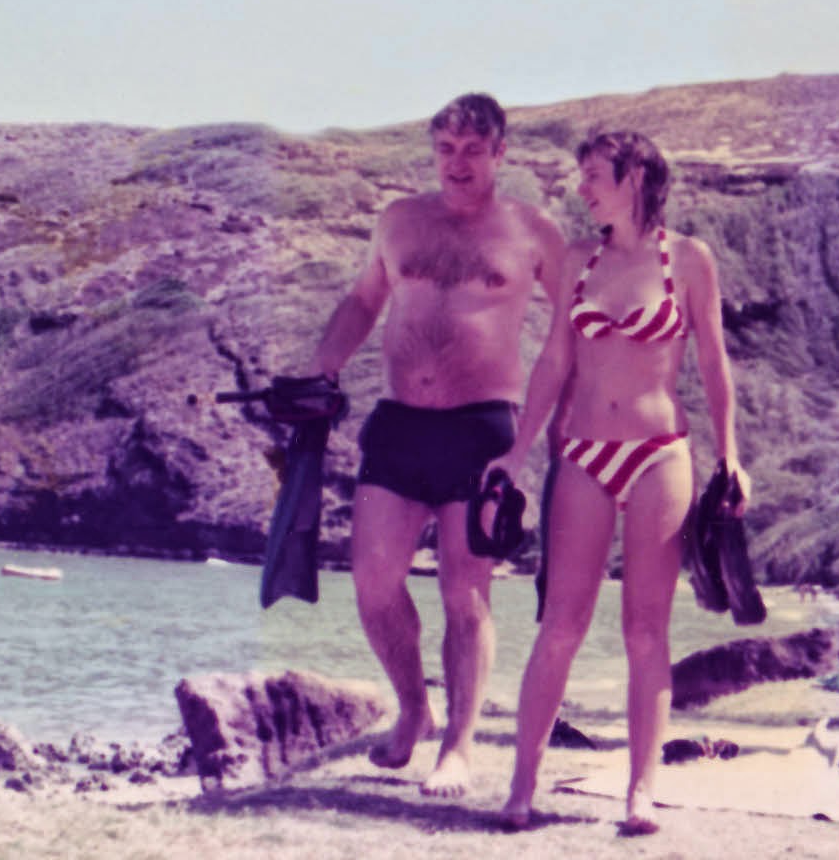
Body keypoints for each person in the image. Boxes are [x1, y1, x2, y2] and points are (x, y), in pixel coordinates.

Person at [492, 129, 750, 834]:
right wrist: (516, 452)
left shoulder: (689, 260)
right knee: (559, 626)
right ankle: (520, 787)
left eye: (593, 175)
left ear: (635, 176)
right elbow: (553, 361)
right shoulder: (579, 259)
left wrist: (730, 454)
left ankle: (641, 792)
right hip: (583, 454)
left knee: (645, 631)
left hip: (659, 453)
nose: (581, 188)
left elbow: (714, 363)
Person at [308, 92, 565, 798]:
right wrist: (324, 367)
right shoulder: (399, 220)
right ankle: (413, 709)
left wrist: (535, 437)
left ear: (500, 153)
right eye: (446, 149)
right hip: (399, 424)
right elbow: (364, 301)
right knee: (372, 579)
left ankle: (458, 745)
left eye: (473, 151)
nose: (457, 163)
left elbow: (571, 331)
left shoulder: (532, 232)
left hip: (481, 429)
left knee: (464, 591)